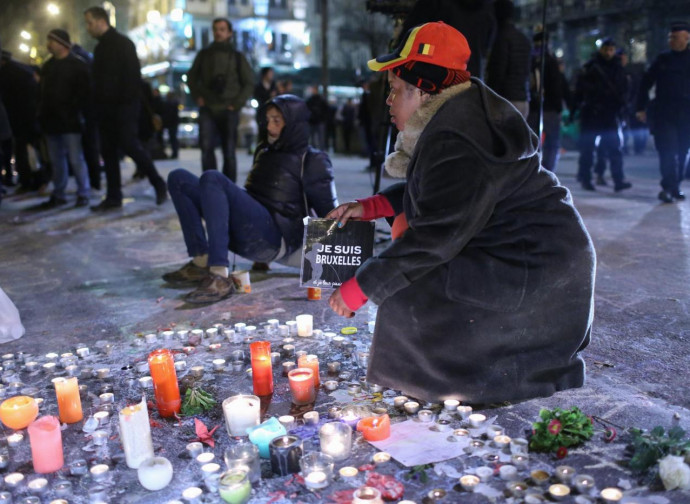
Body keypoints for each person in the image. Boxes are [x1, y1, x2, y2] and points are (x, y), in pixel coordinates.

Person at [327, 22, 595, 405]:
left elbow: (436, 237)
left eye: (396, 92)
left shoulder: (456, 138)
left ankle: (456, 378)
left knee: (411, 288)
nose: (388, 102)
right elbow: (447, 195)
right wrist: (371, 207)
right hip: (533, 259)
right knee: (407, 248)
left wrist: (362, 286)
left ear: (422, 92)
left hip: (535, 274)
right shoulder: (456, 115)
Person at [164, 95, 338, 304]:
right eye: (268, 120)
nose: (270, 126)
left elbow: (331, 213)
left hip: (275, 239)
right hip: (252, 231)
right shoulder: (264, 150)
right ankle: (201, 260)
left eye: (277, 120)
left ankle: (219, 275)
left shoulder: (312, 159)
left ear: (294, 124)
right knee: (179, 178)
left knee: (213, 178)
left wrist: (338, 262)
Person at [84, 6, 168, 211]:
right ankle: (114, 196)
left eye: (89, 23)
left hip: (122, 109)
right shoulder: (101, 47)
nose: (87, 28)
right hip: (106, 110)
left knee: (130, 145)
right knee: (109, 151)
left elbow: (132, 79)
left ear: (101, 21)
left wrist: (125, 106)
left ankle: (158, 183)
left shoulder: (122, 43)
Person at [187, 18, 254, 183]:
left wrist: (236, 104)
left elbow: (249, 82)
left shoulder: (237, 57)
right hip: (208, 108)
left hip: (229, 108)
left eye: (222, 29)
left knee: (229, 152)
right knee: (206, 149)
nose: (218, 32)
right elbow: (191, 78)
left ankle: (228, 188)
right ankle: (210, 185)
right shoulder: (204, 55)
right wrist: (198, 97)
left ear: (229, 33)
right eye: (216, 29)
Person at [636, 21, 690, 203]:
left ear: (686, 38)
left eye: (675, 37)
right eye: (670, 37)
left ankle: (675, 186)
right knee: (667, 151)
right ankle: (667, 187)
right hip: (665, 113)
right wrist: (640, 107)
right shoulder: (662, 59)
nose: (671, 41)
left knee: (683, 152)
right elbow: (645, 83)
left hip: (686, 115)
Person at [38, 29, 91, 209]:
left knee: (76, 159)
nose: (49, 45)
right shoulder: (48, 66)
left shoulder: (77, 65)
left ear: (62, 43)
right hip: (51, 121)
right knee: (56, 160)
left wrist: (74, 111)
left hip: (70, 121)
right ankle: (59, 193)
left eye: (52, 41)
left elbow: (84, 93)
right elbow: (42, 93)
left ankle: (83, 192)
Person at [571, 38, 631, 192]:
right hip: (593, 112)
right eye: (606, 49)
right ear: (601, 50)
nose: (609, 52)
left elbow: (624, 89)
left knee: (615, 149)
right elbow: (580, 91)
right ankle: (586, 179)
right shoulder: (591, 67)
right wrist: (575, 110)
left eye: (611, 49)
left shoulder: (618, 68)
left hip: (611, 113)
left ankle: (618, 180)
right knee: (588, 150)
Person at [394, 0, 495, 80]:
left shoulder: (435, 3)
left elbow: (410, 39)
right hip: (469, 80)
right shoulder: (488, 10)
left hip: (431, 79)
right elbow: (485, 48)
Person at [527, 32, 571, 172]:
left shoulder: (530, 60)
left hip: (533, 107)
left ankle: (533, 170)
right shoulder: (550, 61)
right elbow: (559, 85)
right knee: (552, 143)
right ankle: (547, 171)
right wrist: (562, 106)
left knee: (532, 142)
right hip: (550, 108)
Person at [485, 0, 531, 118]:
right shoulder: (523, 39)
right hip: (523, 99)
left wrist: (489, 96)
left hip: (506, 100)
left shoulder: (501, 38)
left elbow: (498, 71)